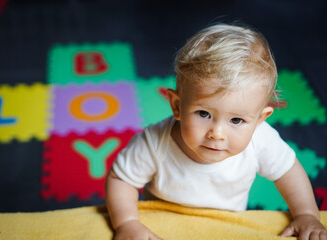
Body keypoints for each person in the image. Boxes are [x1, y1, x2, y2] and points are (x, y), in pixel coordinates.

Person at [105, 23, 327, 240]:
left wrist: (306, 214)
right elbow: (121, 179)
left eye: (237, 120)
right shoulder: (154, 142)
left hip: (224, 227)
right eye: (203, 114)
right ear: (177, 106)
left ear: (260, 119)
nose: (217, 133)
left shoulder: (261, 140)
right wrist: (127, 223)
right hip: (162, 226)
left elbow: (288, 171)